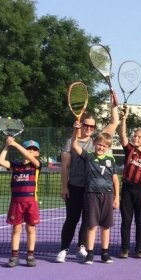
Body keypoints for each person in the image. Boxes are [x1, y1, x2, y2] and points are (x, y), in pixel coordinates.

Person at [57, 97, 119, 263]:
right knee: (72, 219)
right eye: (86, 125)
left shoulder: (97, 142)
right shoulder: (71, 142)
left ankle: (82, 247)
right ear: (81, 124)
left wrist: (114, 105)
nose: (89, 128)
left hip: (93, 190)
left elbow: (114, 122)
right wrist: (64, 187)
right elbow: (65, 166)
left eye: (92, 126)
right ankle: (63, 249)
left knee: (88, 221)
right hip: (75, 186)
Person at [71, 124, 120, 264]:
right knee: (92, 225)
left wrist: (117, 197)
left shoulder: (111, 160)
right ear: (94, 144)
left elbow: (115, 179)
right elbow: (74, 145)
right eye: (99, 145)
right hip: (92, 195)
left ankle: (105, 253)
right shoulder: (88, 156)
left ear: (108, 147)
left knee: (106, 226)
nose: (101, 148)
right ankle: (90, 253)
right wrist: (76, 130)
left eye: (104, 146)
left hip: (108, 195)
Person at [0, 137, 41, 268]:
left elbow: (29, 157)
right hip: (16, 202)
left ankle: (30, 255)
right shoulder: (16, 165)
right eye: (29, 149)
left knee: (31, 229)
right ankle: (14, 256)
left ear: (37, 153)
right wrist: (7, 146)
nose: (31, 151)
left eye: (34, 150)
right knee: (16, 229)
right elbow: (0, 161)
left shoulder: (36, 165)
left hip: (31, 202)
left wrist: (15, 144)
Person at [117, 107, 141, 259]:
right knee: (126, 221)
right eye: (135, 136)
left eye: (139, 137)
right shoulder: (129, 150)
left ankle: (139, 249)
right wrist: (124, 118)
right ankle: (124, 249)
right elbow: (122, 135)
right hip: (127, 189)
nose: (136, 138)